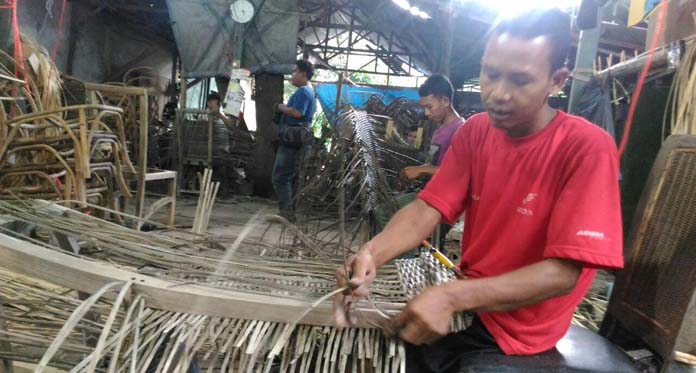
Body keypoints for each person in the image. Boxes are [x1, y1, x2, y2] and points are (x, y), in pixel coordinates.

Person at [335, 8, 623, 372]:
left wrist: (451, 297)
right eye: (491, 74)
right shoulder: (476, 132)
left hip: (519, 331)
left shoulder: (585, 147)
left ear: (557, 80)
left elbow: (562, 274)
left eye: (520, 80)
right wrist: (371, 254)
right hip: (473, 302)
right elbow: (427, 210)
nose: (499, 93)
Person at [272, 60, 317, 220]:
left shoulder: (304, 91)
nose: (292, 75)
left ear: (303, 74)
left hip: (292, 138)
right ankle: (289, 211)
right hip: (298, 138)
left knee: (280, 176)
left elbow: (298, 113)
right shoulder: (309, 91)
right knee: (290, 176)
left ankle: (286, 213)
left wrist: (281, 108)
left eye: (294, 71)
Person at [400, 75, 464, 182]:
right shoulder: (439, 130)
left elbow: (460, 172)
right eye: (424, 108)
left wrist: (422, 170)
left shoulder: (461, 130)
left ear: (445, 101)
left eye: (429, 107)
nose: (427, 113)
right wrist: (417, 169)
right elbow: (434, 162)